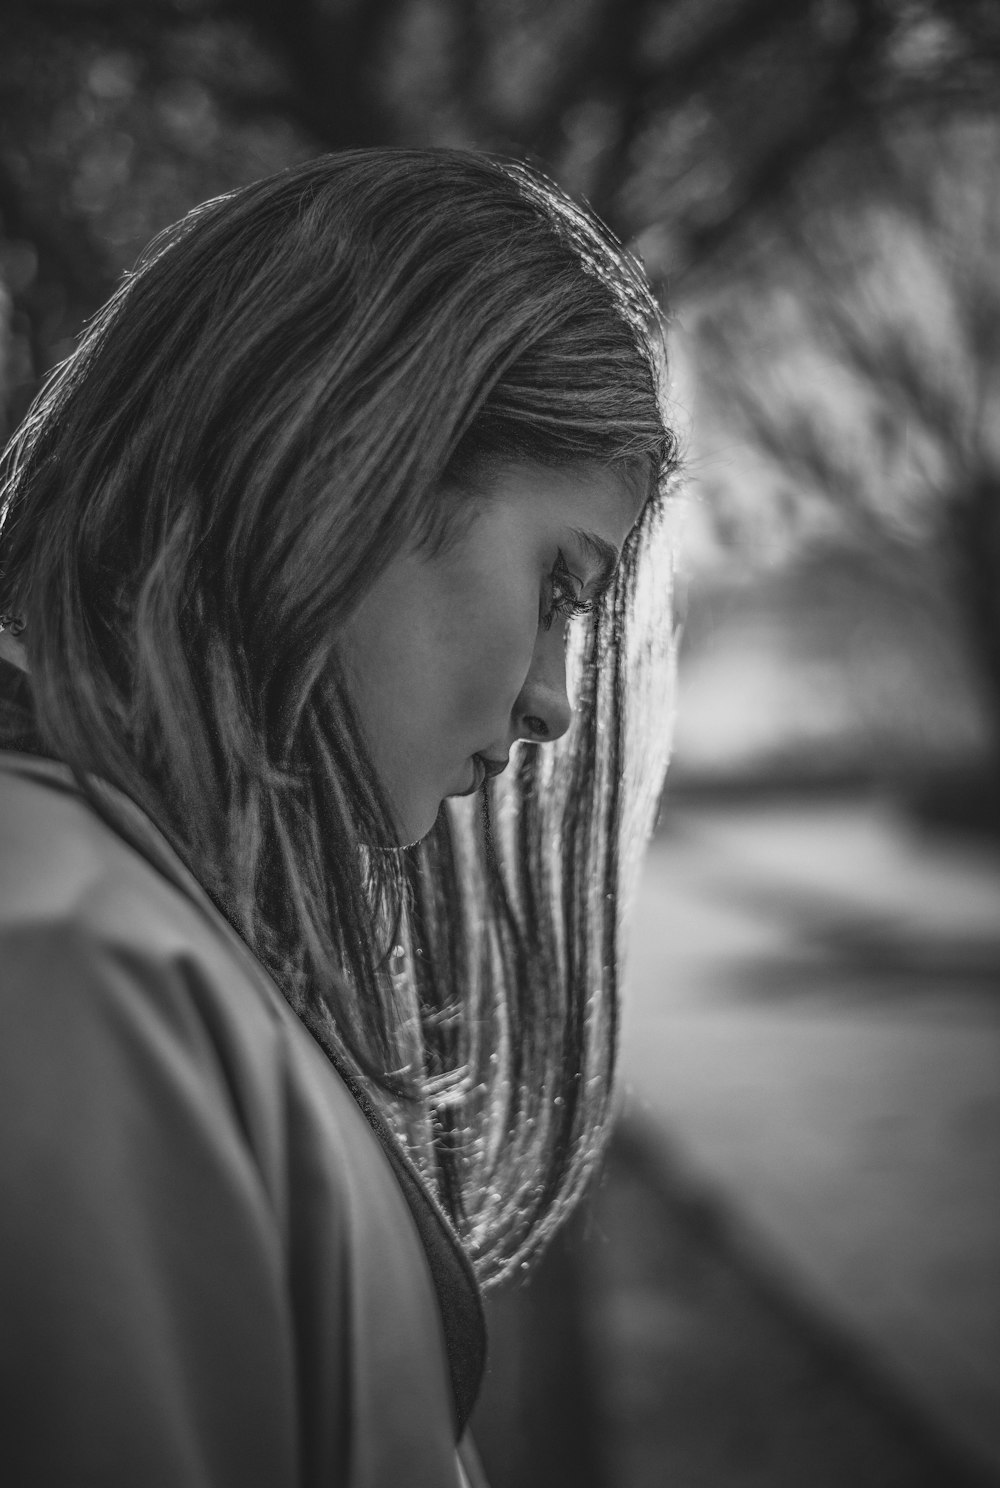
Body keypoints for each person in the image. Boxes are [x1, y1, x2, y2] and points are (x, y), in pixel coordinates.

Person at [0, 148, 679, 1486]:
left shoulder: (119, 925)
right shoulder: (69, 956)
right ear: (355, 465)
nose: (555, 707)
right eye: (559, 589)